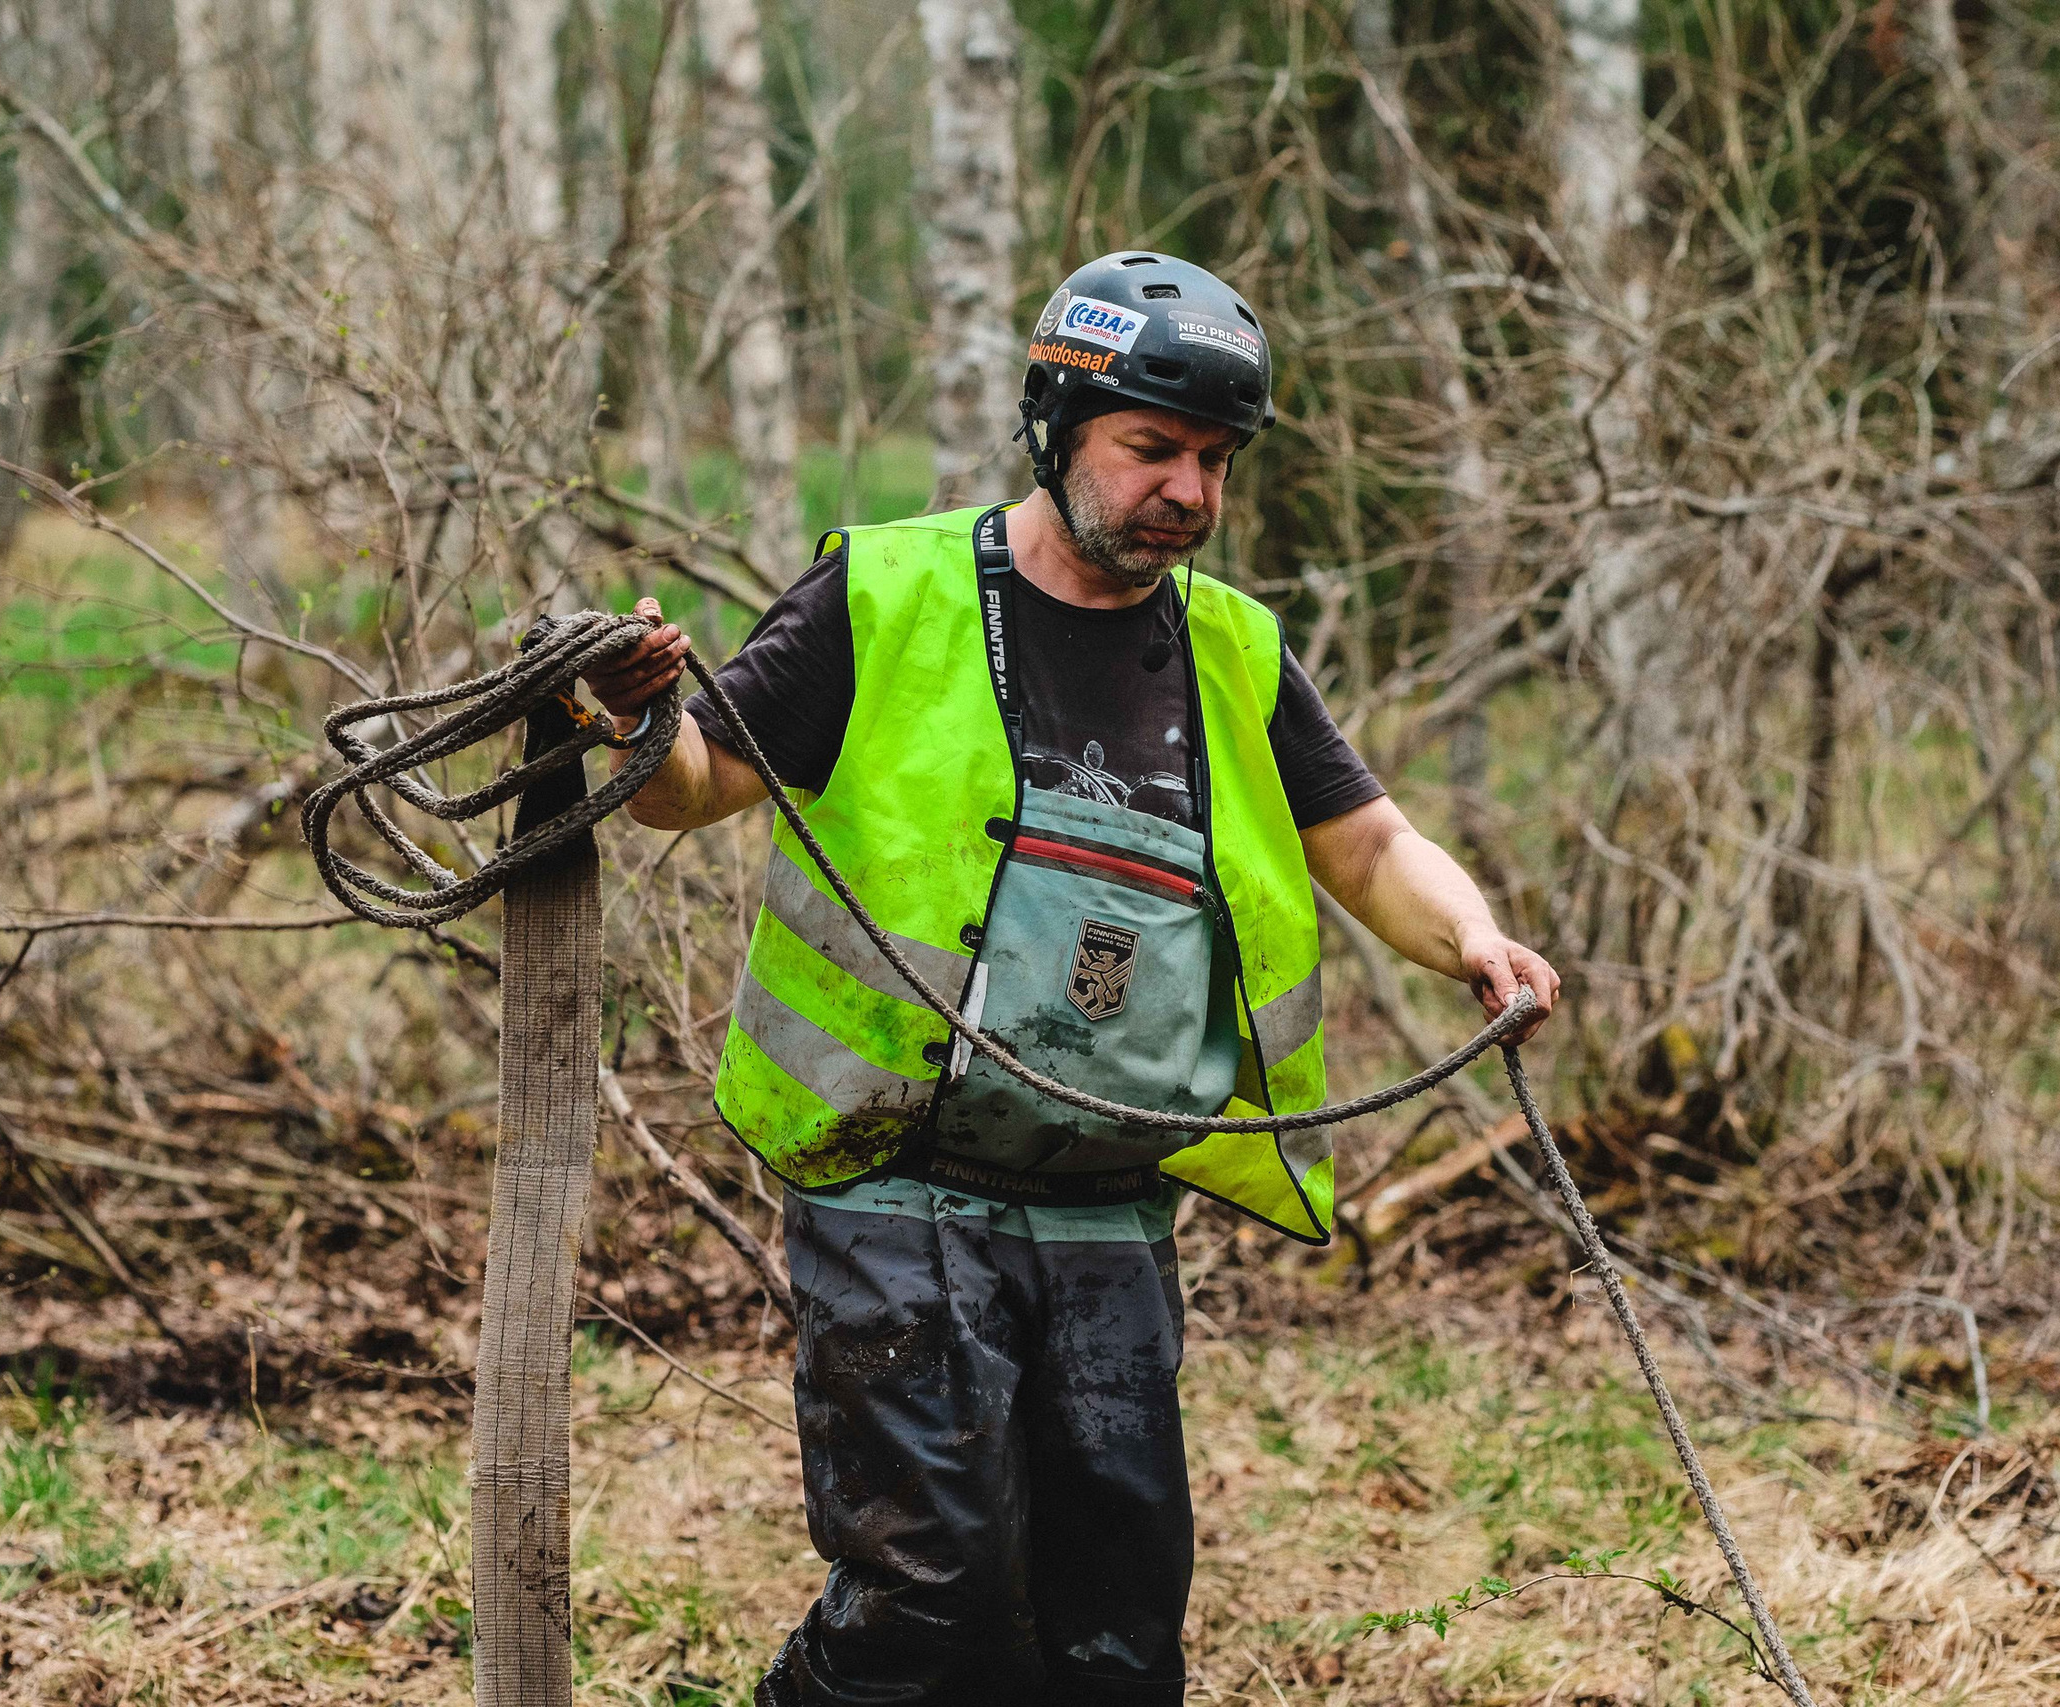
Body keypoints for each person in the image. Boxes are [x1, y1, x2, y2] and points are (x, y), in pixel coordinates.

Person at [577, 251, 1559, 1707]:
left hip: (1109, 1200)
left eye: (1215, 461)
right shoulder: (888, 591)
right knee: (931, 1599)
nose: (1189, 491)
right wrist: (643, 716)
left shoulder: (1232, 651)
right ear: (1057, 423)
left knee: (1114, 1629)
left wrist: (1473, 937)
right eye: (1153, 448)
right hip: (892, 1179)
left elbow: (1366, 844)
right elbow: (699, 785)